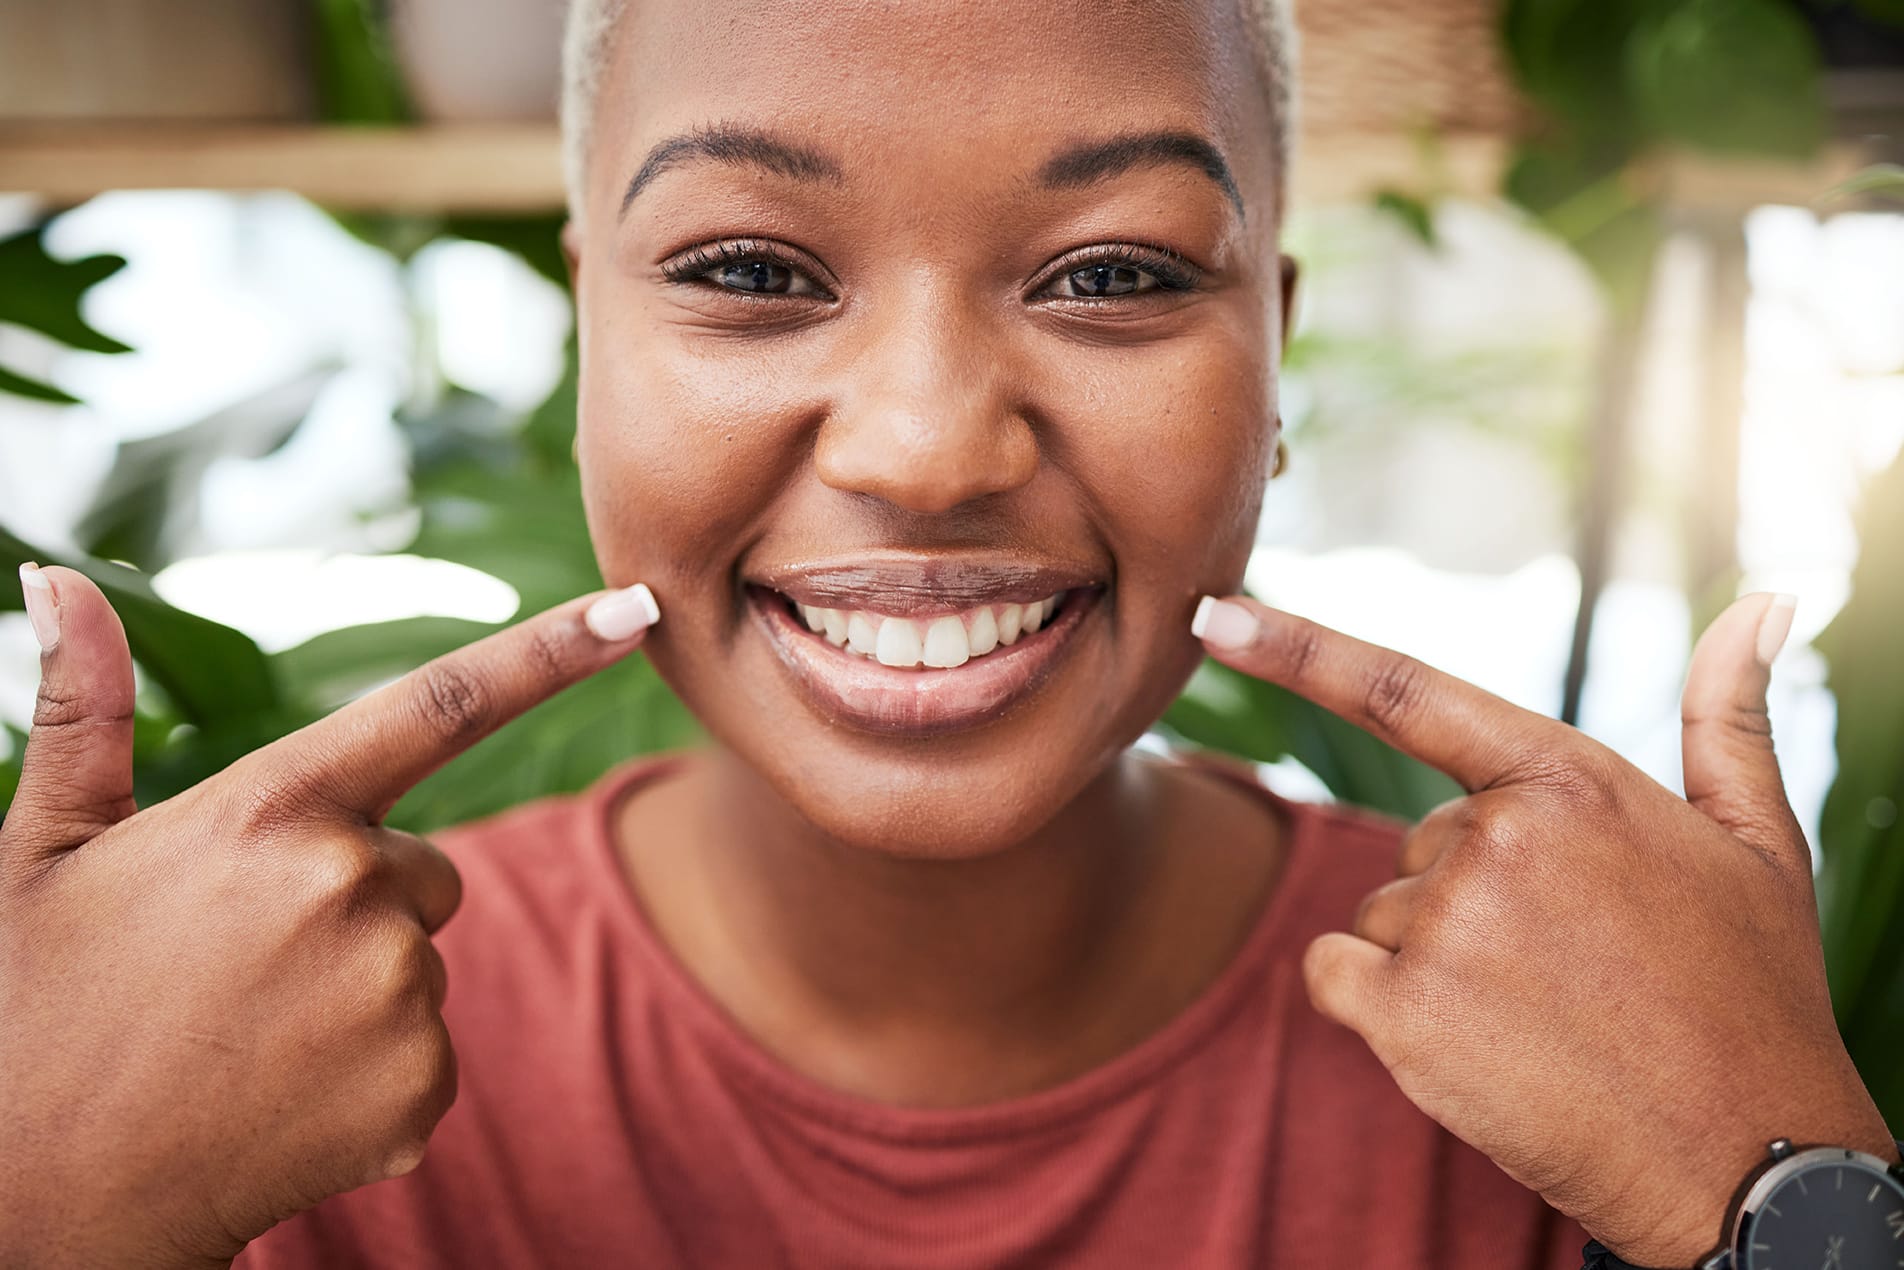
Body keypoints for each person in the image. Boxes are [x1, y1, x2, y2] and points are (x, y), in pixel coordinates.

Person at [1, 1, 1893, 1267]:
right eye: (749, 271)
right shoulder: (255, 1092)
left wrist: (1782, 1193)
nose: (923, 450)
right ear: (590, 338)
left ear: (1274, 351)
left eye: (1117, 276)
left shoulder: (1568, 1078)